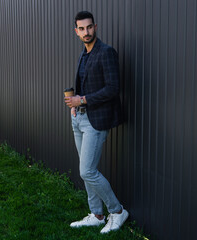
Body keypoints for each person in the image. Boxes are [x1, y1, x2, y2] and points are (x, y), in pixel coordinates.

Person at [64, 11, 128, 234]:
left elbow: (113, 88)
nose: (86, 32)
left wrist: (81, 99)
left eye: (89, 27)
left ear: (95, 27)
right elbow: (84, 85)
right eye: (81, 29)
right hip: (79, 118)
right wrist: (76, 106)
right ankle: (97, 214)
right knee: (86, 170)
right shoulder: (84, 54)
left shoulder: (106, 52)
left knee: (87, 171)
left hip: (97, 121)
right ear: (76, 31)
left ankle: (117, 211)